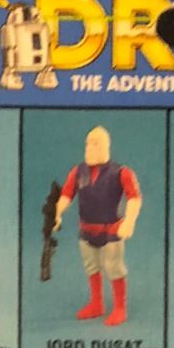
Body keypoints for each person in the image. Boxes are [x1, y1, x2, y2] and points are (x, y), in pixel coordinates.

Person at [52, 126, 142, 328]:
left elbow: (134, 198)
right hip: (87, 229)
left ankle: (120, 307)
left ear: (105, 146)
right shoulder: (78, 172)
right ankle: (97, 303)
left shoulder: (121, 172)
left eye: (95, 143)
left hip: (111, 229)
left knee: (114, 268)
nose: (90, 147)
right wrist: (57, 213)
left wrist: (129, 221)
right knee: (91, 266)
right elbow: (66, 194)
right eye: (88, 143)